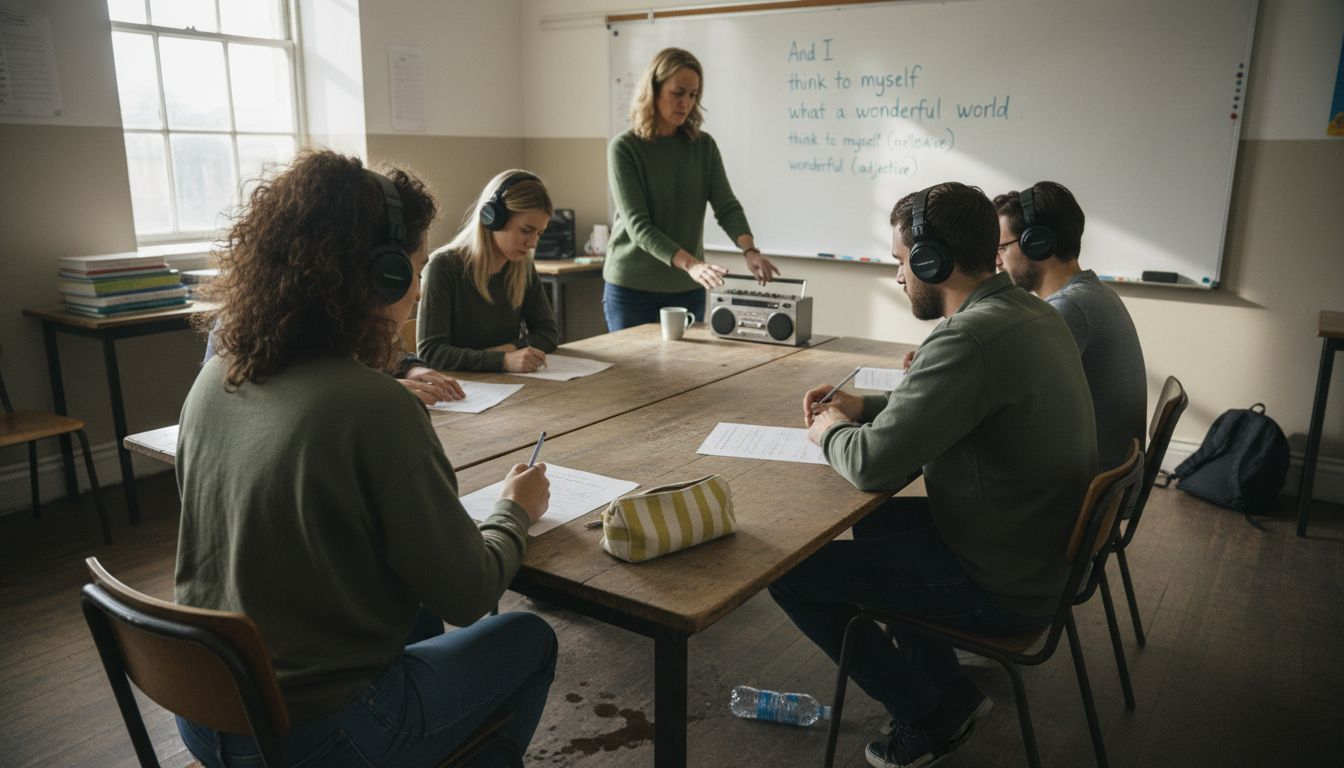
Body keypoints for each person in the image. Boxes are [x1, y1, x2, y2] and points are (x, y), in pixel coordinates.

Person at [178, 149, 556, 767]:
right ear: (380, 276)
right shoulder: (375, 407)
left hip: (207, 706)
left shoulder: (215, 375)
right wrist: (514, 510)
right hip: (320, 735)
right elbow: (469, 594)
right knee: (527, 637)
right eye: (415, 266)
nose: (416, 286)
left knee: (413, 616)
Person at [769, 182, 1097, 768]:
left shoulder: (968, 338)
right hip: (1034, 553)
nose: (899, 278)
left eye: (901, 261)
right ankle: (947, 689)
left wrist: (827, 433)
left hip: (1003, 585)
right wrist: (862, 408)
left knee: (791, 573)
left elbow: (872, 466)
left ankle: (928, 713)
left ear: (931, 261)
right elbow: (947, 405)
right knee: (879, 525)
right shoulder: (1026, 312)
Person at [603, 47, 780, 331]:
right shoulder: (625, 148)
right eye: (678, 92)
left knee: (685, 373)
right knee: (634, 372)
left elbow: (727, 206)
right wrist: (692, 264)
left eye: (693, 95)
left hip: (686, 288)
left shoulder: (703, 146)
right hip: (632, 289)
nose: (686, 103)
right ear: (654, 90)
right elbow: (639, 226)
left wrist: (750, 251)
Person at [993, 181, 1146, 471]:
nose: (997, 261)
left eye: (1002, 247)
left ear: (1036, 243)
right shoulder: (1092, 292)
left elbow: (1010, 395)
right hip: (1107, 477)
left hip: (1086, 483)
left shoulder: (1068, 308)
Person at [417, 170, 559, 373]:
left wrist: (509, 350)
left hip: (510, 386)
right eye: (526, 230)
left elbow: (548, 333)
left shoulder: (522, 266)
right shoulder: (444, 266)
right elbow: (431, 352)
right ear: (492, 217)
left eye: (540, 233)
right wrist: (502, 360)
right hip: (461, 390)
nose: (533, 243)